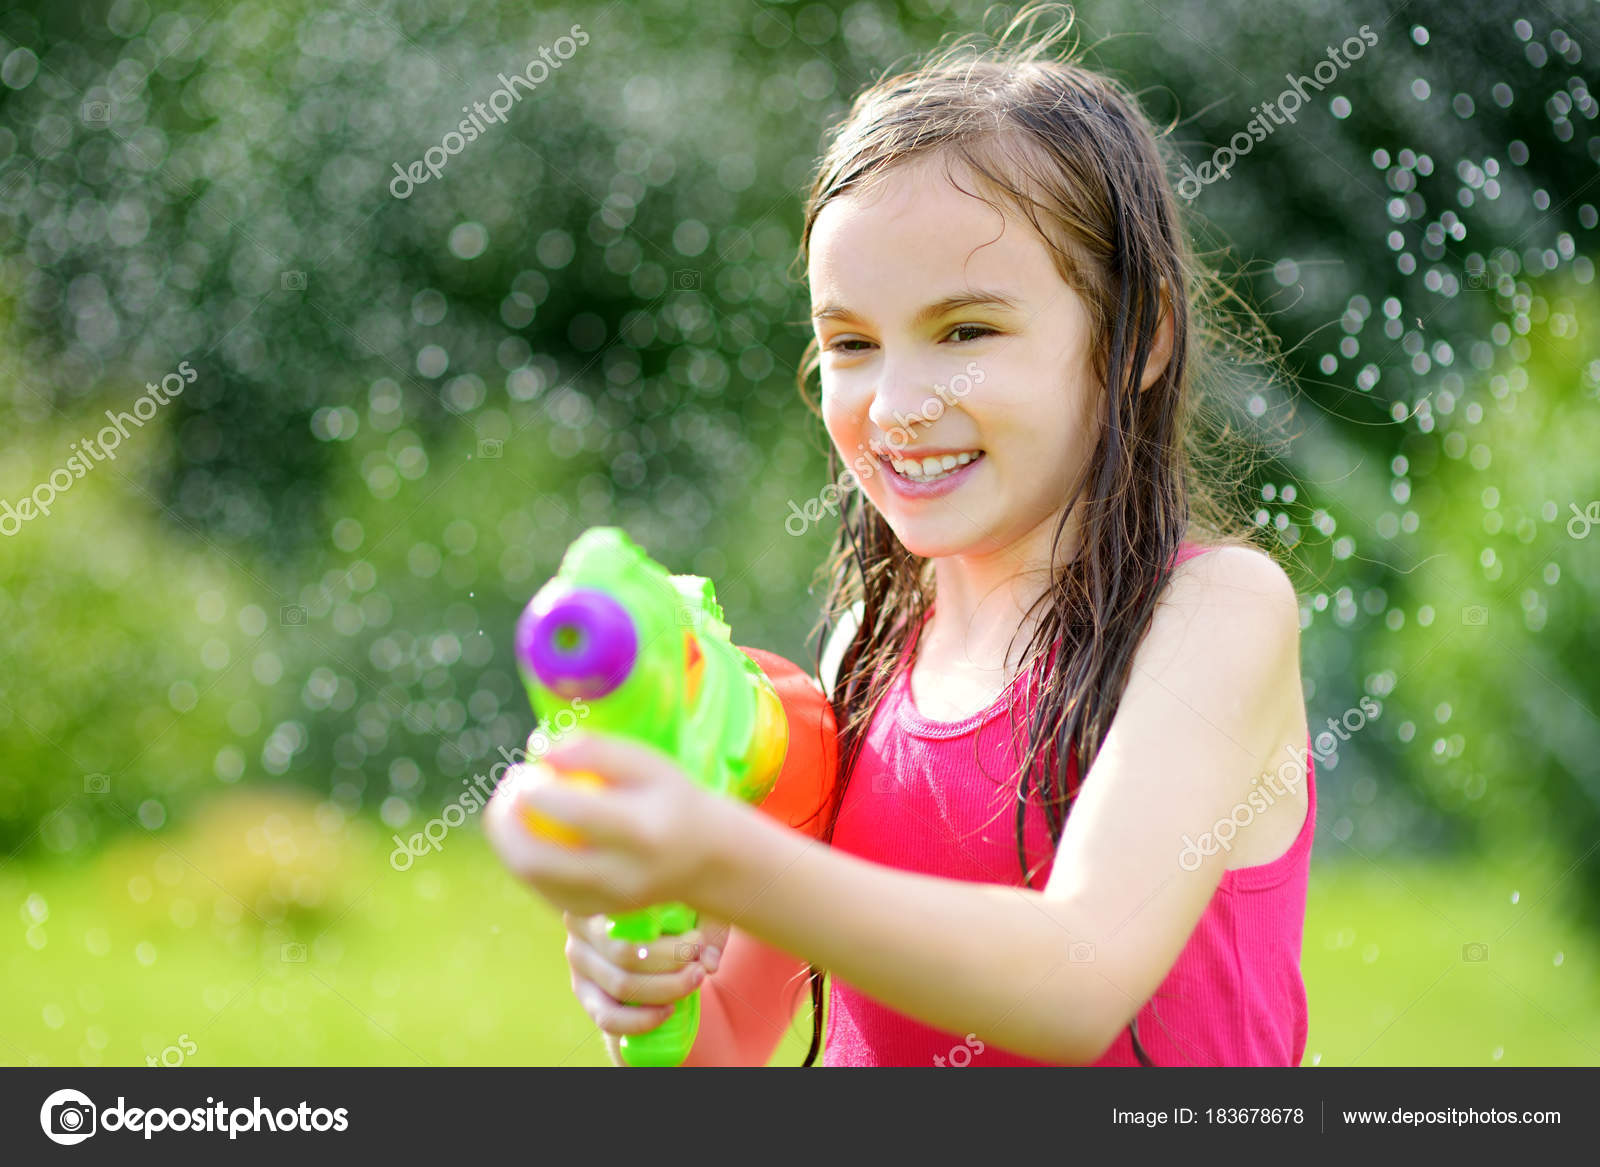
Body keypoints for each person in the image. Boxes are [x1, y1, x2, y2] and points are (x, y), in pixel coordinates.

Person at [484, 5, 1314, 1067]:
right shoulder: (862, 661)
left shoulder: (1213, 616)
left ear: (1136, 338)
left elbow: (1073, 982)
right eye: (853, 343)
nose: (897, 405)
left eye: (965, 331)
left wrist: (721, 853)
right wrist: (644, 987)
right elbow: (732, 1047)